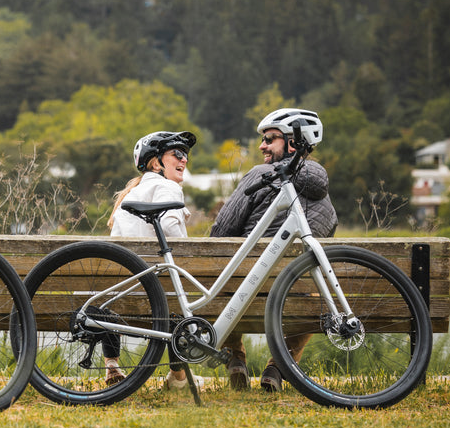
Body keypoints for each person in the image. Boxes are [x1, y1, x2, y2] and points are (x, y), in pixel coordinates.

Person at [209, 108, 338, 392]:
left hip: (243, 295)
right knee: (314, 294)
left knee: (223, 273)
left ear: (293, 143)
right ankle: (277, 368)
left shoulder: (260, 175)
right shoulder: (329, 205)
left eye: (269, 139)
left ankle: (235, 358)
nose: (262, 146)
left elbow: (220, 236)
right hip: (293, 302)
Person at [108, 130, 202, 390]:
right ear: (155, 163)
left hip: (119, 295)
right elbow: (171, 228)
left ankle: (112, 365)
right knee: (178, 295)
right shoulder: (168, 187)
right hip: (158, 296)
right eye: (177, 154)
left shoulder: (130, 196)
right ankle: (178, 377)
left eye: (186, 155)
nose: (184, 159)